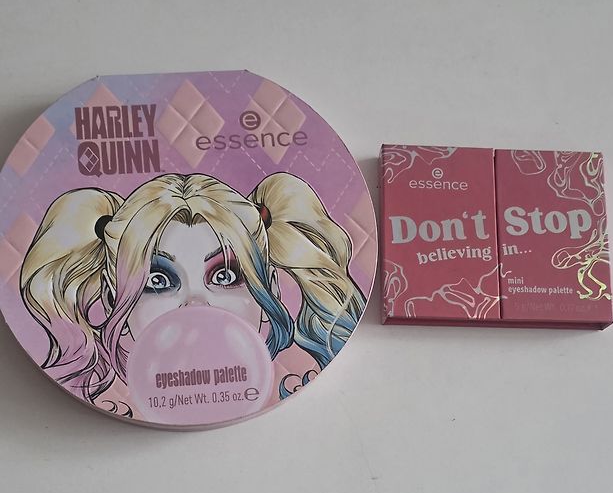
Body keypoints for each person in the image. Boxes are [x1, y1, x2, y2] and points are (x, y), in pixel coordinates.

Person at [20, 172, 365, 417]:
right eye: (158, 280)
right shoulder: (95, 402)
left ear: (270, 289)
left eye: (225, 275)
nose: (195, 303)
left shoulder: (300, 390)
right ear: (113, 299)